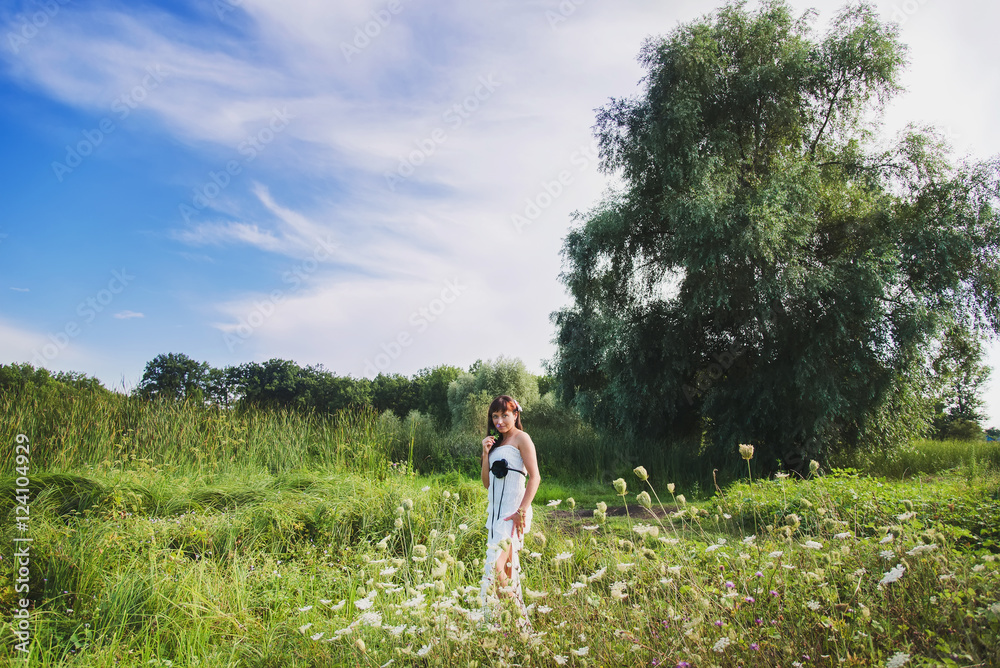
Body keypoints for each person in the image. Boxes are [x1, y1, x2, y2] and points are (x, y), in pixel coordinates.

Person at [479, 394, 540, 626]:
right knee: (503, 573)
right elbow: (486, 483)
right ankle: (511, 627)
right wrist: (485, 454)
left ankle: (517, 623)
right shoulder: (495, 444)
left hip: (513, 514)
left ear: (515, 415)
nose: (500, 421)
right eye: (495, 416)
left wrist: (521, 511)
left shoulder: (522, 439)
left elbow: (535, 478)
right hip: (494, 517)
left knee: (496, 571)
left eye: (505, 415)